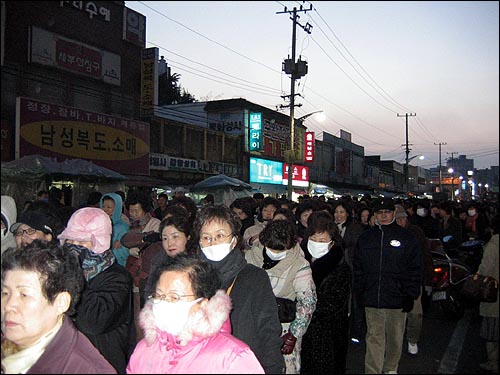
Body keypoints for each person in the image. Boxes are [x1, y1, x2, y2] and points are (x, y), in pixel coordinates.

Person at [126, 254, 265, 374]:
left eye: (174, 297)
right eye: (160, 296)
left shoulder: (232, 357)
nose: (164, 304)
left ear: (202, 304)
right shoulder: (144, 350)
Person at [193, 205, 285, 374]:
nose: (212, 242)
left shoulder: (254, 278)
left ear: (234, 240)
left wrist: (273, 369)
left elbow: (269, 332)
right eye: (206, 237)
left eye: (220, 235)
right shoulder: (190, 278)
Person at [1, 241, 116, 374]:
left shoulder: (85, 369)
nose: (9, 305)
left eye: (24, 295)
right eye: (5, 293)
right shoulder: (10, 347)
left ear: (61, 302)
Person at [58, 207, 134, 374]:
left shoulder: (118, 278)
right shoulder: (60, 272)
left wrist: (74, 274)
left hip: (102, 364)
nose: (75, 247)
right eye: (71, 241)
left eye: (83, 241)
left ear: (100, 243)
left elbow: (93, 323)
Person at [353, 197, 422, 374]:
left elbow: (415, 268)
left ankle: (391, 368)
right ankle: (373, 371)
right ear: (375, 215)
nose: (383, 216)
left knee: (395, 338)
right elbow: (358, 267)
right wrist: (360, 291)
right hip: (372, 297)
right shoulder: (366, 238)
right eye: (380, 213)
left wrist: (410, 294)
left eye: (387, 212)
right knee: (374, 338)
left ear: (393, 213)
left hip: (397, 298)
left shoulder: (406, 238)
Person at [245, 219, 317, 374]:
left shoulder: (299, 264)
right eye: (272, 248)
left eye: (281, 250)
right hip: (253, 325)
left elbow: (307, 302)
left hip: (284, 328)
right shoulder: (249, 258)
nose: (276, 253)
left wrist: (294, 334)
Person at [300, 211, 352, 374]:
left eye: (322, 240)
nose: (316, 243)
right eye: (314, 239)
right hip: (302, 329)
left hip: (329, 331)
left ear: (332, 242)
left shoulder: (340, 267)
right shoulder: (299, 261)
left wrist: (306, 309)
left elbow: (335, 302)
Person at [394, 205, 433, 356]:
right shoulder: (389, 233)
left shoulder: (416, 232)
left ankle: (412, 339)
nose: (401, 221)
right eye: (397, 219)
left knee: (415, 314)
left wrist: (427, 279)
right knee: (396, 315)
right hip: (395, 280)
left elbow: (426, 256)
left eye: (403, 218)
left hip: (413, 279)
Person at [475, 214, 499, 372]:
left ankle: (493, 362)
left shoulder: (495, 242)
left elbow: (486, 266)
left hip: (495, 294)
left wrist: (477, 276)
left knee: (492, 331)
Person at [100, 193, 130, 267]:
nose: (105, 209)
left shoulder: (122, 227)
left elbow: (126, 252)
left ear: (117, 208)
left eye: (109, 207)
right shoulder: (99, 225)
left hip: (117, 266)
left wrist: (118, 246)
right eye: (103, 206)